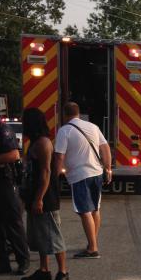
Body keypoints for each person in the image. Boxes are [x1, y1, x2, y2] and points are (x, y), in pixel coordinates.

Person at [53, 102, 112, 258]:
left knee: (84, 211)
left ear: (64, 114)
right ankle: (93, 242)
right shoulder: (93, 127)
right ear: (78, 113)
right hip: (96, 173)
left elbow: (59, 156)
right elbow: (105, 148)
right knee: (94, 209)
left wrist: (55, 174)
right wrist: (108, 168)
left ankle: (92, 248)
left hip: (80, 176)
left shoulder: (64, 131)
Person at [20, 108, 69, 280]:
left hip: (45, 197)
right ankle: (43, 270)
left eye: (26, 120)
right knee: (40, 236)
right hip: (34, 195)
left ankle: (63, 272)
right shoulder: (33, 142)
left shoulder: (43, 143)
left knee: (52, 235)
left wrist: (39, 198)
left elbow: (46, 172)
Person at [0, 97, 30, 275]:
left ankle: (23, 260)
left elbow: (13, 155)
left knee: (12, 223)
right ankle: (0, 263)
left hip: (2, 181)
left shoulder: (0, 128)